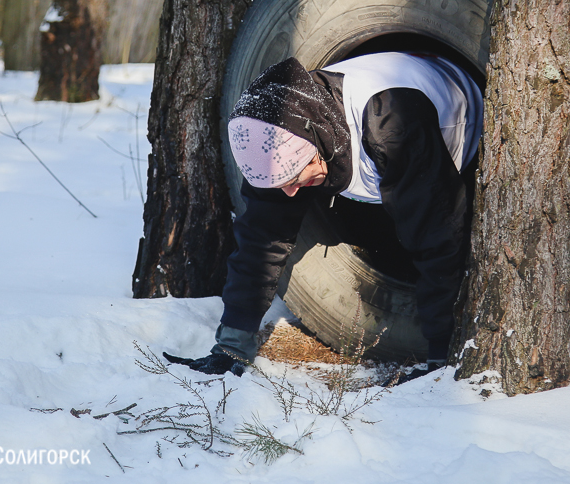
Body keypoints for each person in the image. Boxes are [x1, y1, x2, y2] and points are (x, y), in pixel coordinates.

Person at [163, 51, 484, 378]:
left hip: (463, 125)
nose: (289, 192)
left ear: (313, 142)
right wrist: (232, 343)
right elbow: (260, 243)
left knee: (422, 231)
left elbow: (439, 236)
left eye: (294, 179)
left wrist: (441, 357)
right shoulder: (274, 136)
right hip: (387, 160)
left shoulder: (391, 127)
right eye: (281, 184)